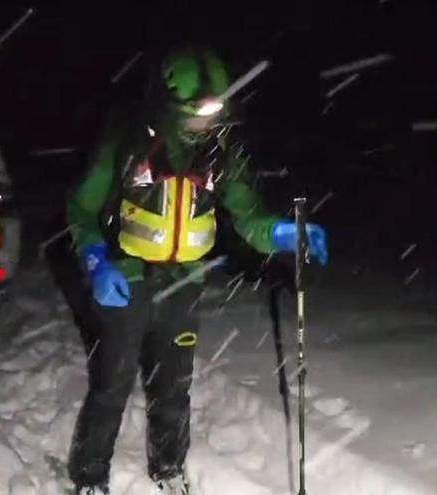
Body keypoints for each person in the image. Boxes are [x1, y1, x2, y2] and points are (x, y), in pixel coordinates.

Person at [65, 46, 328, 495]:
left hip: (185, 280)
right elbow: (80, 208)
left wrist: (284, 233)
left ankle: (168, 469)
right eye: (194, 114)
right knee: (113, 384)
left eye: (213, 114)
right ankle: (90, 477)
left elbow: (247, 215)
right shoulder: (128, 144)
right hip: (125, 278)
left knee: (173, 388)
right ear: (166, 108)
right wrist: (96, 261)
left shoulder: (219, 151)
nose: (205, 124)